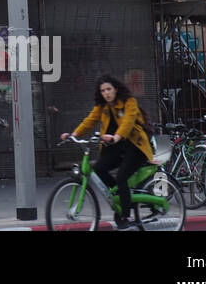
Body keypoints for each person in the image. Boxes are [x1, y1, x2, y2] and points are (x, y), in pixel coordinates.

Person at [60, 74, 153, 229]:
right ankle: (121, 195)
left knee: (122, 176)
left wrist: (117, 137)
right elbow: (89, 121)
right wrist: (73, 135)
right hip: (116, 147)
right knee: (98, 169)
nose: (106, 93)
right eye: (103, 91)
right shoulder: (102, 107)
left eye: (109, 89)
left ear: (116, 89)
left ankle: (126, 215)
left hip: (136, 147)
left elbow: (128, 123)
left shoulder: (129, 102)